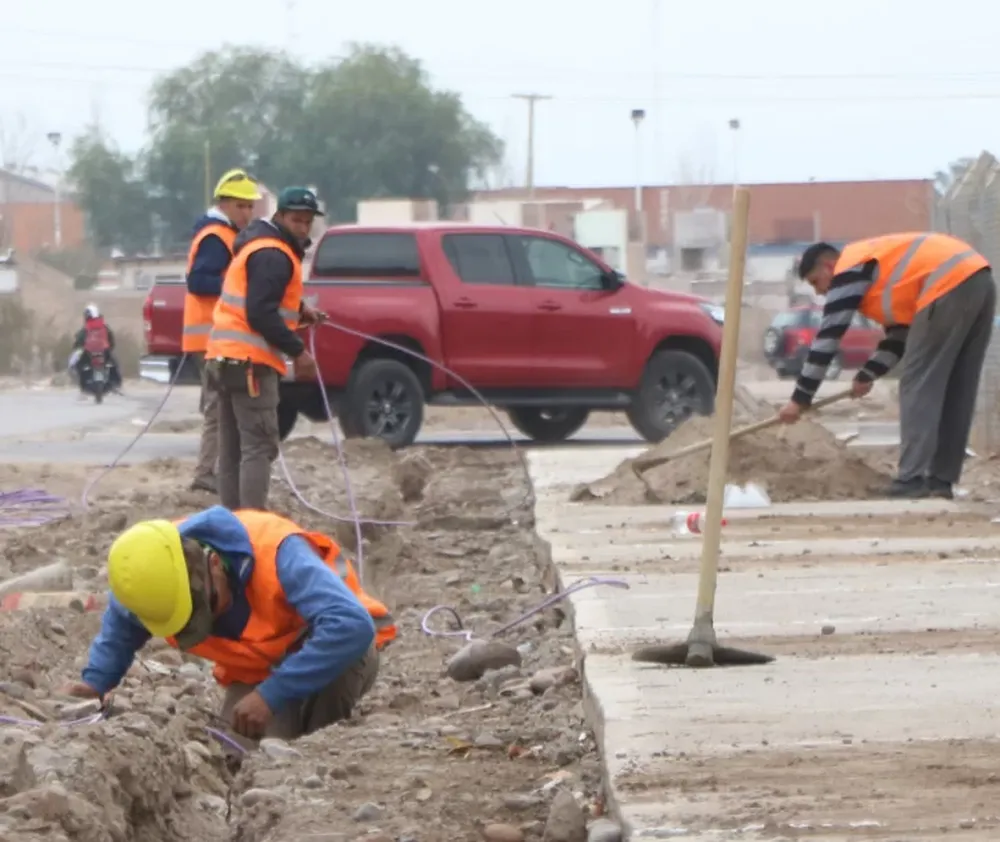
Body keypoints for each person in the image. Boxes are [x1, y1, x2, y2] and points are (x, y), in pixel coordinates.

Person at [62, 506, 397, 739]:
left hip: (335, 651)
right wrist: (96, 683)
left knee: (307, 741)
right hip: (257, 671)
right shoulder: (148, 576)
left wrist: (272, 695)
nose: (204, 624)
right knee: (241, 754)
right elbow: (122, 622)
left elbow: (351, 626)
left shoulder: (278, 553)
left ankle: (319, 753)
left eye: (205, 610)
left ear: (215, 565)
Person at [781, 233, 995, 499]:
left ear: (828, 266)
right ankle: (941, 481)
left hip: (947, 283)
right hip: (979, 280)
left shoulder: (848, 269)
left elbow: (828, 338)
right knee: (958, 388)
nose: (820, 292)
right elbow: (900, 335)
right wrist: (868, 374)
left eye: (817, 282)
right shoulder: (882, 276)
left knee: (917, 385)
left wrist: (799, 399)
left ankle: (912, 479)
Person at [204, 186, 326, 510]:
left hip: (221, 356)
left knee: (232, 449)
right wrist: (299, 352)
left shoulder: (257, 245)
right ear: (280, 216)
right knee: (258, 447)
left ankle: (231, 523)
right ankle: (252, 524)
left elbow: (260, 298)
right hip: (250, 365)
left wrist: (300, 312)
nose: (302, 227)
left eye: (307, 221)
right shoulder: (275, 254)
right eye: (296, 220)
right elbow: (259, 312)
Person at [184, 168, 261, 493]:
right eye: (241, 206)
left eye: (250, 206)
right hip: (210, 337)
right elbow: (199, 281)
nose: (247, 212)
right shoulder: (216, 237)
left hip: (216, 337)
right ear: (225, 203)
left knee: (220, 407)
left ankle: (214, 471)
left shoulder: (224, 234)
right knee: (218, 408)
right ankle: (205, 474)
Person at [73, 304, 121, 396]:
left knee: (79, 365)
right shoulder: (104, 326)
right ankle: (116, 384)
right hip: (104, 351)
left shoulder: (86, 328)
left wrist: (77, 346)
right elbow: (111, 339)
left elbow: (79, 340)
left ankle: (83, 386)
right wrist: (110, 348)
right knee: (114, 364)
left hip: (88, 352)